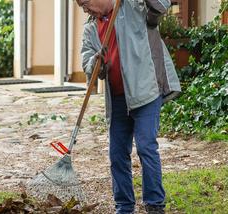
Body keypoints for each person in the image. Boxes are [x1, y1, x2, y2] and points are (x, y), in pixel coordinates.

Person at [76, 0, 181, 213]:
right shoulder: (90, 29)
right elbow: (87, 61)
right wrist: (97, 63)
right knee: (117, 154)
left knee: (146, 147)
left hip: (146, 91)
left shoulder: (133, 7)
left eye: (85, 3)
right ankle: (124, 206)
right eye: (81, 6)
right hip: (117, 99)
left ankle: (154, 204)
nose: (84, 9)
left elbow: (161, 5)